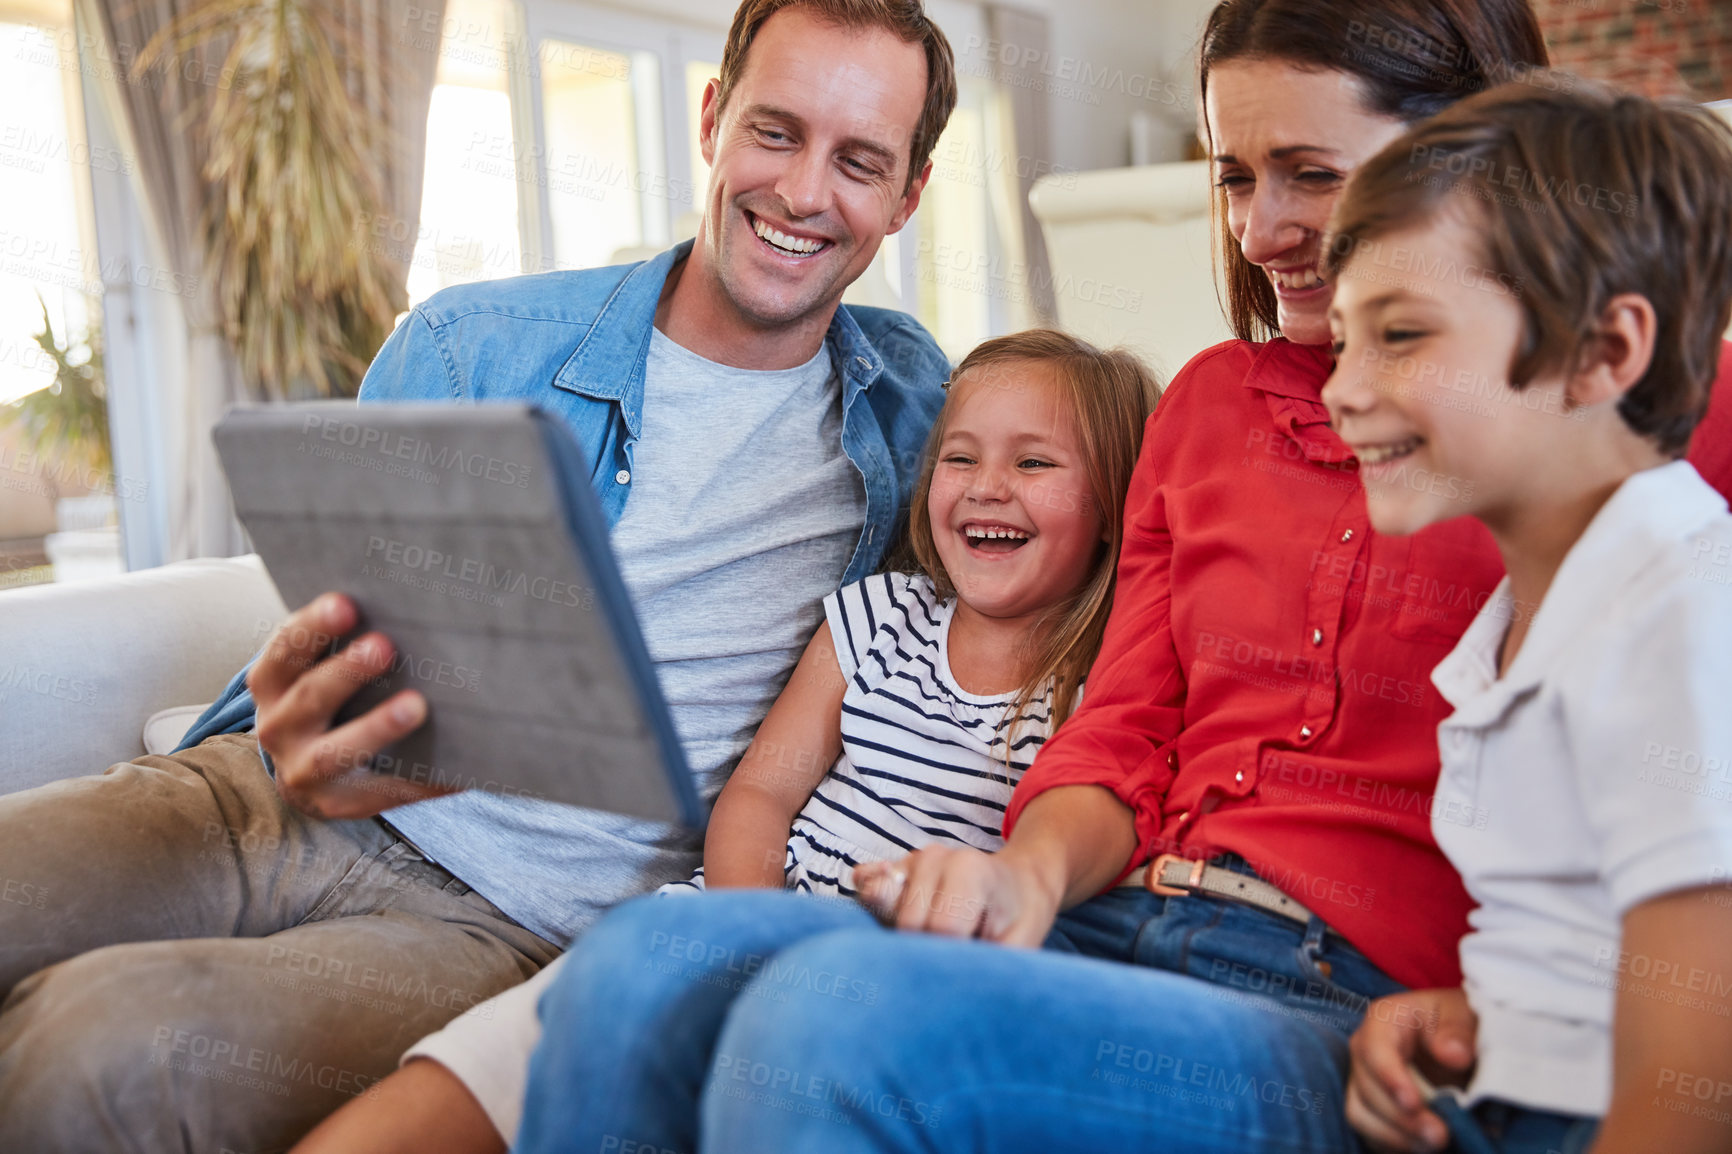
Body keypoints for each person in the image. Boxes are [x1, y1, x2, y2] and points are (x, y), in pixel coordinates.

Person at [496, 2, 1732, 1152]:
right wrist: (1021, 875)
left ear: (1472, 154)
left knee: (839, 1020)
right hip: (1120, 917)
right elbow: (1124, 726)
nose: (1258, 231)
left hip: (1341, 998)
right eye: (1235, 176)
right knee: (647, 962)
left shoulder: (1624, 419)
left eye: (1312, 172)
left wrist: (1489, 1005)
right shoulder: (1207, 408)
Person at [0, 0, 956, 1149]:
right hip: (262, 793)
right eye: (775, 131)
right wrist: (310, 702)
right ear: (712, 120)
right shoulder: (472, 344)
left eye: (859, 162)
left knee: (90, 1046)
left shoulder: (925, 418)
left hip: (503, 927)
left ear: (909, 194)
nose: (804, 193)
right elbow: (338, 629)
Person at [513, 329, 1160, 1152]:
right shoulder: (880, 617)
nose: (987, 488)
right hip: (751, 911)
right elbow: (761, 793)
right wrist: (751, 927)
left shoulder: (1098, 689)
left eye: (1034, 464)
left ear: (1114, 506)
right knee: (596, 1024)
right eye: (959, 459)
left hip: (890, 983)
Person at [1326, 83, 1732, 1154]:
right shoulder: (1531, 620)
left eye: (1399, 334)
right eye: (1341, 341)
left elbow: (1694, 1078)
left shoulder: (1680, 608)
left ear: (1603, 352)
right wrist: (1479, 1015)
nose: (1340, 389)